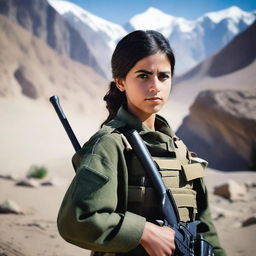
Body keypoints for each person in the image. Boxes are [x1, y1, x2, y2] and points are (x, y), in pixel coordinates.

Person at [57, 30, 226, 256]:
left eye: (164, 76)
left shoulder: (179, 149)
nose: (155, 86)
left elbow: (204, 226)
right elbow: (76, 221)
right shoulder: (110, 144)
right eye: (143, 76)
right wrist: (144, 231)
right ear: (120, 82)